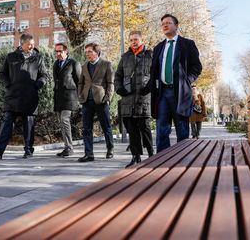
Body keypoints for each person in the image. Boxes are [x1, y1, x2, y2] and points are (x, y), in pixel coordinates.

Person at [141, 14, 202, 152]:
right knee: (162, 130)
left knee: (182, 129)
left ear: (176, 26)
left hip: (180, 93)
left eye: (168, 22)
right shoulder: (158, 48)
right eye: (163, 23)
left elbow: (197, 67)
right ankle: (162, 160)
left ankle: (183, 158)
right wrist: (145, 89)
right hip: (162, 94)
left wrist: (187, 81)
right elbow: (154, 72)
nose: (165, 25)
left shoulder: (187, 44)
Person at [0, 34, 47, 159]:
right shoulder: (11, 57)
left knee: (29, 125)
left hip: (30, 97)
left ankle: (28, 150)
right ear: (22, 44)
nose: (32, 46)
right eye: (29, 44)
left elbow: (44, 75)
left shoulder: (38, 58)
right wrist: (8, 85)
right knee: (7, 122)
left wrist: (37, 85)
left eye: (33, 44)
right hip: (13, 96)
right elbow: (3, 73)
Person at [115, 31, 154, 167]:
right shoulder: (125, 57)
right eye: (131, 40)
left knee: (145, 128)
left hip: (144, 98)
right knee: (132, 130)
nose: (133, 42)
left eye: (136, 39)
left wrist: (150, 87)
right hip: (128, 99)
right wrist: (119, 88)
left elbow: (155, 74)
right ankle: (135, 156)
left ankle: (151, 155)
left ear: (141, 40)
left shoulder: (150, 55)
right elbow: (118, 75)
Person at [77, 43, 114, 162]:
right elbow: (81, 83)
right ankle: (89, 154)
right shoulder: (84, 66)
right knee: (87, 128)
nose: (87, 54)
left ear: (97, 52)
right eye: (86, 52)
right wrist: (80, 96)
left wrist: (107, 98)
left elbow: (110, 83)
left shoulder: (106, 64)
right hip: (87, 101)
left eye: (89, 51)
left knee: (106, 126)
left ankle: (110, 149)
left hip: (101, 100)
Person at [53, 43, 81, 157]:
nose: (58, 54)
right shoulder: (56, 64)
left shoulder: (74, 63)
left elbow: (79, 81)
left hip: (70, 97)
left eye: (60, 51)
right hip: (59, 98)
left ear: (66, 52)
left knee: (65, 120)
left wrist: (80, 99)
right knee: (62, 122)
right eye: (56, 51)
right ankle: (66, 147)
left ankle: (69, 147)